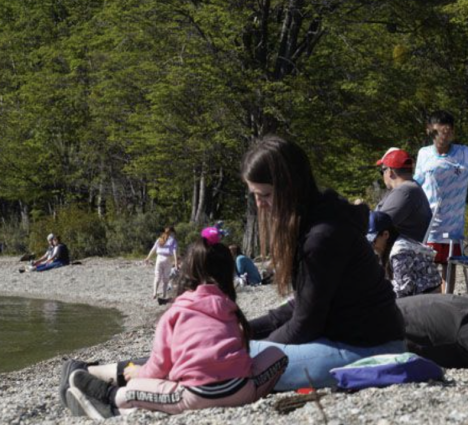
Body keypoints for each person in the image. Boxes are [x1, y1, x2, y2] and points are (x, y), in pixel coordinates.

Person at [243, 135, 406, 391]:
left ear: (291, 188)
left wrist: (259, 346)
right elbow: (304, 304)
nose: (260, 205)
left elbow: (305, 324)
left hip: (368, 350)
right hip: (359, 342)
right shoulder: (316, 219)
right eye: (255, 195)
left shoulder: (322, 235)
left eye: (266, 194)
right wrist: (243, 330)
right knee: (233, 348)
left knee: (234, 361)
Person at [62, 237, 288, 420]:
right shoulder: (230, 309)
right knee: (277, 354)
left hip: (194, 395)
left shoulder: (176, 312)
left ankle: (110, 400)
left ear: (187, 273)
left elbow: (159, 366)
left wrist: (138, 373)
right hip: (242, 390)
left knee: (135, 388)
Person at [414, 110, 468, 290]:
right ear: (430, 130)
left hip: (453, 223)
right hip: (429, 222)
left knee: (449, 263)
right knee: (428, 264)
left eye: (448, 131)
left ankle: (447, 298)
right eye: (440, 132)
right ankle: (431, 299)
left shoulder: (463, 153)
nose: (444, 136)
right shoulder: (424, 153)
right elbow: (417, 181)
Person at [367, 210, 441, 297]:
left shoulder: (399, 253)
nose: (371, 246)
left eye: (373, 241)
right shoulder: (389, 246)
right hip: (415, 293)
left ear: (386, 235)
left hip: (427, 296)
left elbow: (403, 289)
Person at [375, 147, 432, 243]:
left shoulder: (404, 191)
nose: (382, 176)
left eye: (382, 171)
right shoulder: (411, 187)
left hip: (402, 250)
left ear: (390, 171)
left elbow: (377, 225)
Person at [144, 227, 178, 299]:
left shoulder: (159, 239)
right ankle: (164, 294)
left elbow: (153, 249)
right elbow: (174, 252)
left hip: (159, 258)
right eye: (174, 233)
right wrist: (176, 263)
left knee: (157, 276)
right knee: (166, 278)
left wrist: (148, 258)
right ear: (172, 233)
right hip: (168, 259)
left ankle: (154, 293)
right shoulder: (173, 241)